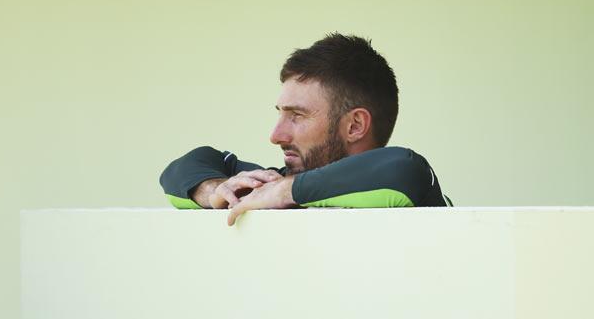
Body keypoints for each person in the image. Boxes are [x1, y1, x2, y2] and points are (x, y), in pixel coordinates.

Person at [160, 33, 451, 226]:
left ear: (355, 126)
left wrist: (286, 192)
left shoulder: (410, 190)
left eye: (297, 115)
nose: (276, 136)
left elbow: (403, 169)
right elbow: (185, 168)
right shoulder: (270, 186)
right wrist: (213, 190)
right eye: (280, 115)